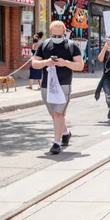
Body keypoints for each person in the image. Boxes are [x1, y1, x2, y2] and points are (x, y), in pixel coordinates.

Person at [32, 21, 84, 155]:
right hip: (47, 85)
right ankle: (65, 132)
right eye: (54, 35)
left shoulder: (72, 46)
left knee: (59, 113)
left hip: (64, 84)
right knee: (54, 114)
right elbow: (35, 63)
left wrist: (65, 63)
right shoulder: (43, 45)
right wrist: (46, 62)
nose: (56, 38)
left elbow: (80, 65)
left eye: (59, 36)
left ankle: (56, 143)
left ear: (64, 34)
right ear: (50, 33)